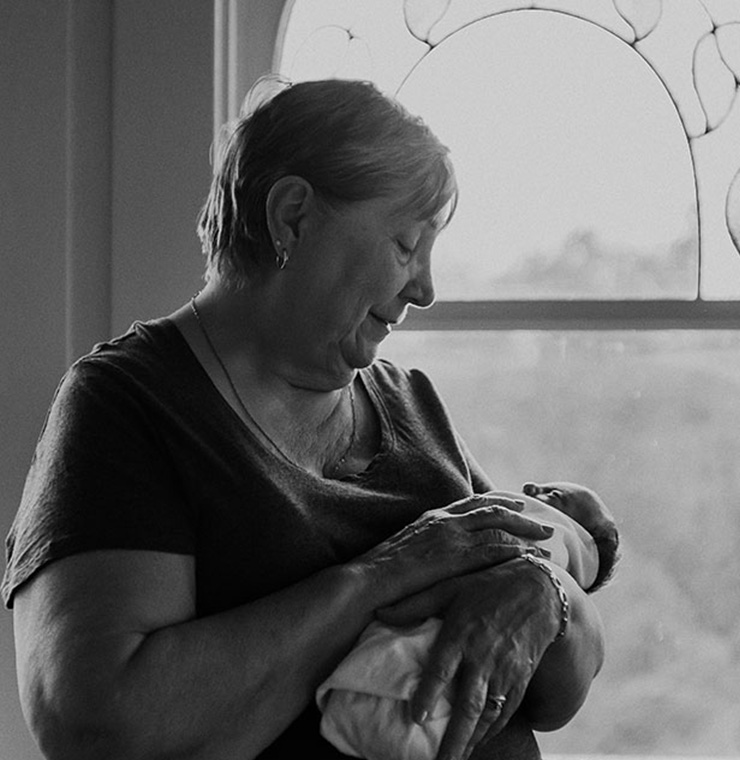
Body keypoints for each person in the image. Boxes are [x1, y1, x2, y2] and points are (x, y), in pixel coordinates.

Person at [2, 76, 608, 760]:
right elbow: (97, 727)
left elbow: (562, 688)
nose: (427, 288)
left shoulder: (414, 404)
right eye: (406, 245)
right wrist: (383, 575)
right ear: (292, 216)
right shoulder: (127, 406)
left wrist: (542, 595)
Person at [316, 483, 619, 760]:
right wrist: (369, 580)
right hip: (402, 699)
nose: (530, 487)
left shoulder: (538, 529)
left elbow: (556, 706)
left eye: (554, 496)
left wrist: (551, 589)